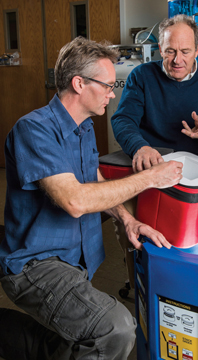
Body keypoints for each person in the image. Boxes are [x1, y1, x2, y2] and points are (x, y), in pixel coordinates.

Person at [0, 36, 183, 360]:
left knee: (74, 342)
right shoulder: (34, 129)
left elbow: (92, 179)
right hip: (36, 265)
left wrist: (128, 220)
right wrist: (151, 178)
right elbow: (75, 200)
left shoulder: (83, 127)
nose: (113, 94)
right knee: (114, 328)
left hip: (74, 261)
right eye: (108, 85)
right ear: (79, 83)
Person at [110, 14, 198, 289]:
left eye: (185, 51)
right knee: (127, 226)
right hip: (149, 172)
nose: (177, 59)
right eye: (170, 51)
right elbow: (122, 119)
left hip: (197, 176)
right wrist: (139, 146)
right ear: (159, 50)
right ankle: (141, 286)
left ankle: (194, 284)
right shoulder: (141, 76)